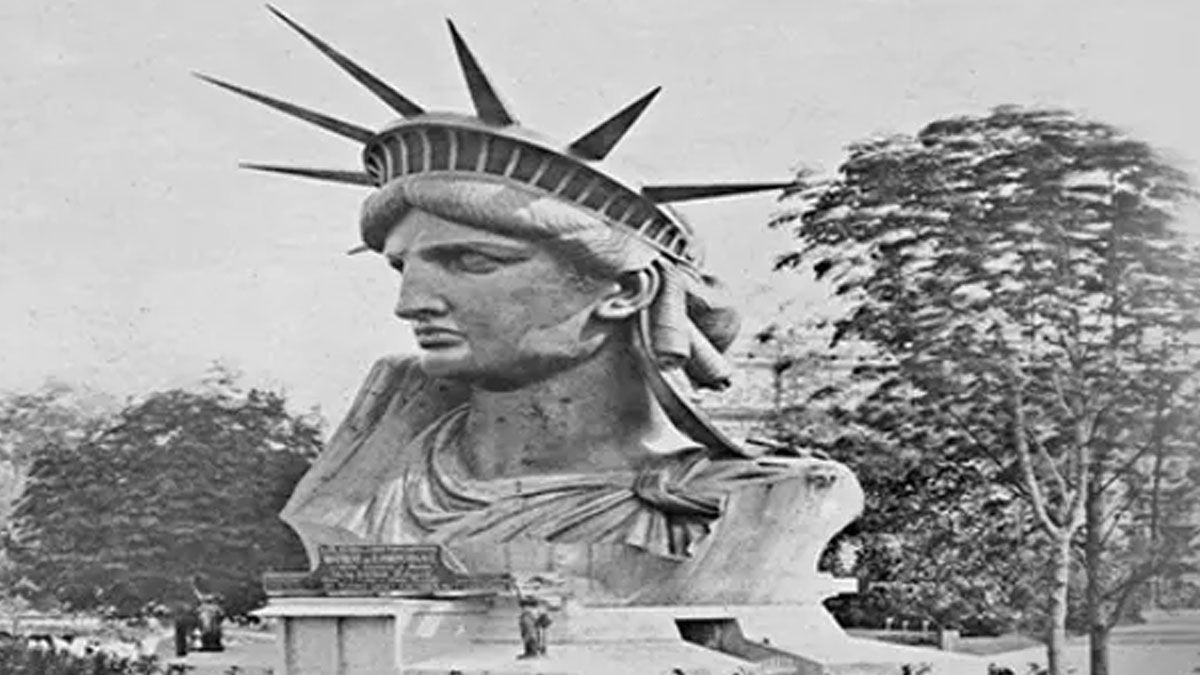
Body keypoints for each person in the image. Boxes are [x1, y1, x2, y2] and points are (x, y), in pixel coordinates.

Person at [204, 9, 864, 606]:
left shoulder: (768, 498)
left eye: (471, 261)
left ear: (624, 290)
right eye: (403, 267)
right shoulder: (363, 479)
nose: (410, 303)